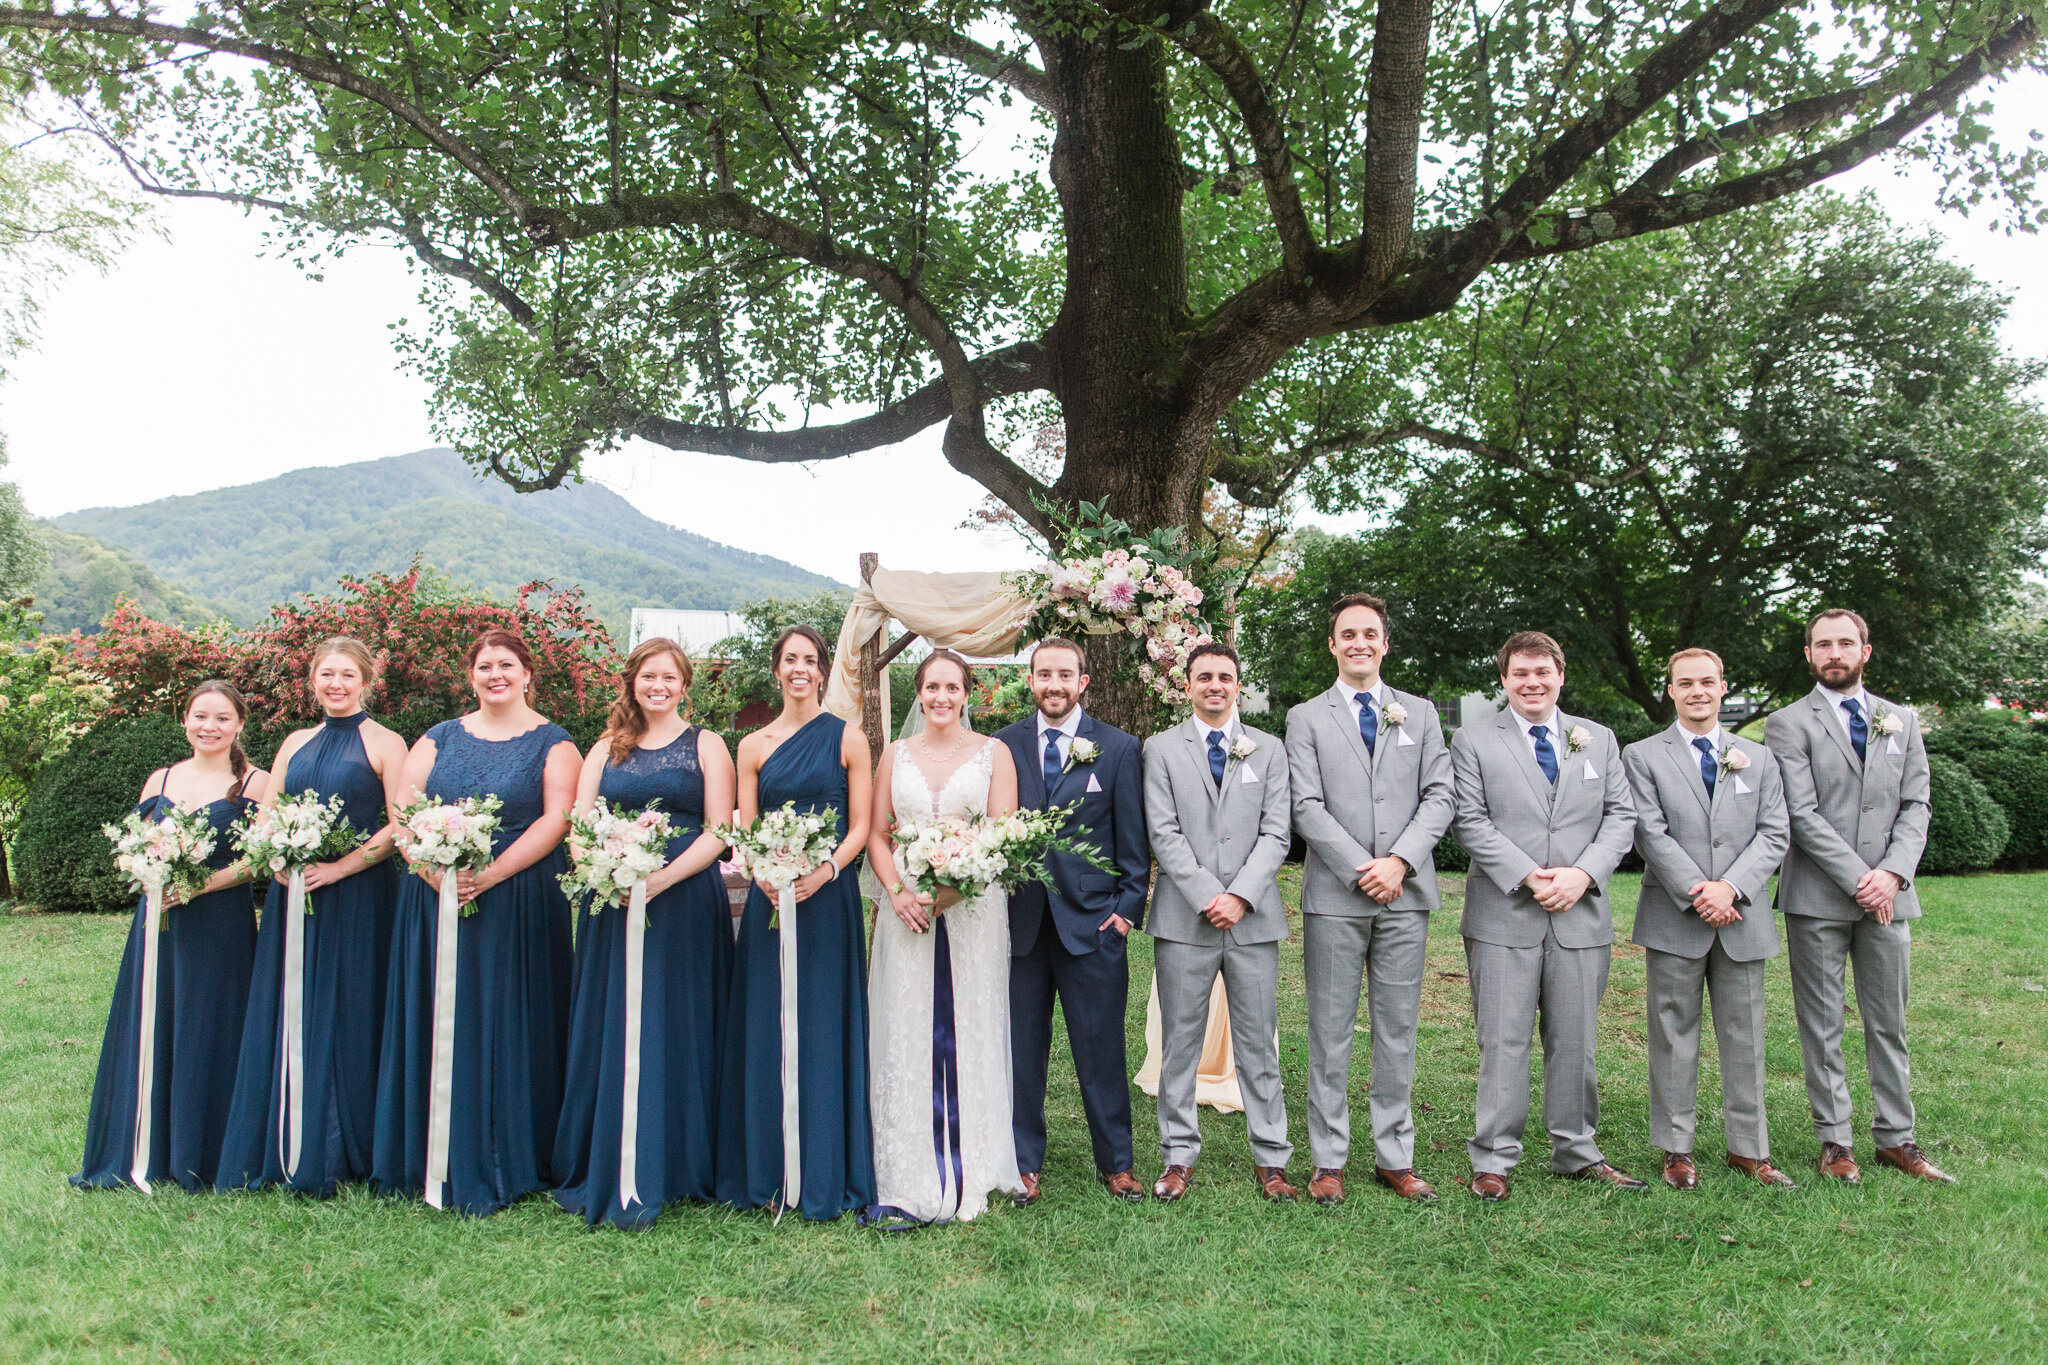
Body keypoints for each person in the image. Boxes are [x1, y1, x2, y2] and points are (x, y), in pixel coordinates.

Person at [371, 629, 580, 1215]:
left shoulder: (554, 742)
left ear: (527, 673)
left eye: (507, 665)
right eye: (485, 666)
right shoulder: (438, 738)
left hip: (517, 898)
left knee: (506, 1015)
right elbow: (405, 812)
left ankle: (505, 1152)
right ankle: (427, 1149)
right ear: (471, 675)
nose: (496, 675)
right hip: (435, 896)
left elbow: (555, 820)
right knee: (440, 1013)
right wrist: (430, 868)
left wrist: (488, 876)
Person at [1450, 631, 1640, 1201]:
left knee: (1576, 1038)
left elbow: (1621, 816)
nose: (1532, 683)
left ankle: (1576, 1149)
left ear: (1561, 674)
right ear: (1504, 679)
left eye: (1543, 672)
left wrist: (1582, 875)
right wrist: (1531, 876)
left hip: (1580, 914)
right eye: (1520, 674)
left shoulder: (1599, 740)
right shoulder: (1473, 739)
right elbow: (1469, 818)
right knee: (1503, 1040)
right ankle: (1493, 1156)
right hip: (1504, 911)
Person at [554, 638, 737, 1226]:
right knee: (617, 1019)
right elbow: (577, 825)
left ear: (685, 685)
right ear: (632, 682)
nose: (657, 686)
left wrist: (659, 880)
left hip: (682, 901)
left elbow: (718, 830)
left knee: (677, 1017)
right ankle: (607, 1150)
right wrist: (600, 868)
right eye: (647, 676)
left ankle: (680, 1159)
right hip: (612, 899)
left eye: (669, 677)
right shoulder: (606, 747)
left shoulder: (707, 744)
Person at [218, 638, 408, 1196]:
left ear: (367, 682)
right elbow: (268, 813)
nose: (336, 684)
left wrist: (341, 868)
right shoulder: (295, 741)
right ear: (312, 679)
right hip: (292, 891)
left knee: (350, 1001)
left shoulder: (386, 742)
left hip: (358, 895)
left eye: (347, 675)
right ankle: (283, 1129)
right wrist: (276, 855)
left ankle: (345, 1139)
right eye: (326, 674)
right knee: (291, 1001)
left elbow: (400, 827)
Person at [1765, 608, 1949, 1185]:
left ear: (1866, 651)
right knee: (1821, 1025)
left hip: (1890, 898)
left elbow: (1915, 805)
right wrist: (1861, 879)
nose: (1835, 653)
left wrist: (1892, 874)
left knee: (1887, 1021)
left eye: (1846, 643)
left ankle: (1897, 1138)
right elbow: (1801, 812)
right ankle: (1835, 1142)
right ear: (1810, 656)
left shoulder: (1902, 720)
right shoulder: (1787, 724)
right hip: (1818, 895)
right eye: (1824, 645)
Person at [1285, 592, 1455, 1205]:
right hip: (1336, 896)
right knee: (1329, 1030)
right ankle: (1328, 1159)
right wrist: (1363, 868)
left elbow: (1441, 795)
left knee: (1398, 1029)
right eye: (1347, 634)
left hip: (1405, 895)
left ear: (1385, 644)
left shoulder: (1421, 713)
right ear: (1332, 645)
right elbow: (1304, 804)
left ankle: (1395, 1156)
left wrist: (1399, 862)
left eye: (1369, 634)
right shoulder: (1305, 717)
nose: (1359, 643)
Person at [75, 680, 268, 1192]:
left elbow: (260, 858)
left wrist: (201, 884)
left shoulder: (255, 783)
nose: (210, 727)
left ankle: (202, 1150)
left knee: (211, 1023)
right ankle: (144, 1143)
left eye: (222, 718)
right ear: (184, 720)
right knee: (153, 1020)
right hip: (157, 920)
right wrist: (146, 872)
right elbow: (136, 844)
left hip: (220, 923)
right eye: (200, 716)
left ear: (240, 724)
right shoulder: (160, 777)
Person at [716, 625, 876, 1220]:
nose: (800, 669)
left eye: (810, 660)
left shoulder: (848, 737)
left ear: (821, 669)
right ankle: (764, 1166)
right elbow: (750, 827)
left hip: (827, 898)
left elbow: (860, 825)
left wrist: (827, 870)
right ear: (777, 670)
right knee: (767, 1018)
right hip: (770, 900)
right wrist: (764, 871)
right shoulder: (753, 746)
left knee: (821, 1018)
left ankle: (825, 1163)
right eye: (790, 660)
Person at [1623, 648, 1794, 1191]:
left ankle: (1751, 1149)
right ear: (1671, 690)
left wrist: (1731, 889)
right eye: (1685, 683)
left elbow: (1775, 833)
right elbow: (1649, 832)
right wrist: (1700, 892)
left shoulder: (1758, 758)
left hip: (1741, 915)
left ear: (1724, 686)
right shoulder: (1643, 756)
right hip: (1676, 915)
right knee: (1673, 1034)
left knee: (1745, 1035)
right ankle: (1677, 1150)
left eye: (1707, 682)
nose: (1697, 691)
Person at [865, 649, 1025, 1223]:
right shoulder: (896, 754)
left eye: (952, 687)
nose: (941, 697)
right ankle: (903, 1159)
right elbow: (878, 834)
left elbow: (1004, 835)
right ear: (919, 691)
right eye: (932, 687)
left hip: (972, 908)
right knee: (906, 1021)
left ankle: (973, 1159)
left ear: (967, 693)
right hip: (905, 907)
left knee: (970, 1020)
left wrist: (954, 891)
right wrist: (898, 893)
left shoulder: (992, 754)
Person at [994, 638, 1151, 1205]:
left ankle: (1117, 1163)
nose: (1053, 684)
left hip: (1094, 925)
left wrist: (1126, 913)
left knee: (1101, 1047)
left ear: (1083, 681)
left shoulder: (1117, 747)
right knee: (1021, 1048)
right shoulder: (1003, 745)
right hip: (1021, 924)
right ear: (1031, 680)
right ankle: (1022, 1162)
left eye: (1065, 674)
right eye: (1043, 674)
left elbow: (1134, 840)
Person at [1143, 641, 1296, 1203]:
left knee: (1258, 1042)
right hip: (1185, 917)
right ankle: (1177, 1156)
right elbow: (1163, 832)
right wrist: (1210, 895)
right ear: (1187, 686)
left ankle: (1272, 1159)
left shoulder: (1270, 750)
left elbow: (1278, 833)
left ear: (1238, 685)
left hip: (1253, 920)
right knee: (1180, 1042)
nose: (1215, 685)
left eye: (1225, 677)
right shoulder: (1159, 750)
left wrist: (1240, 896)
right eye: (1204, 676)